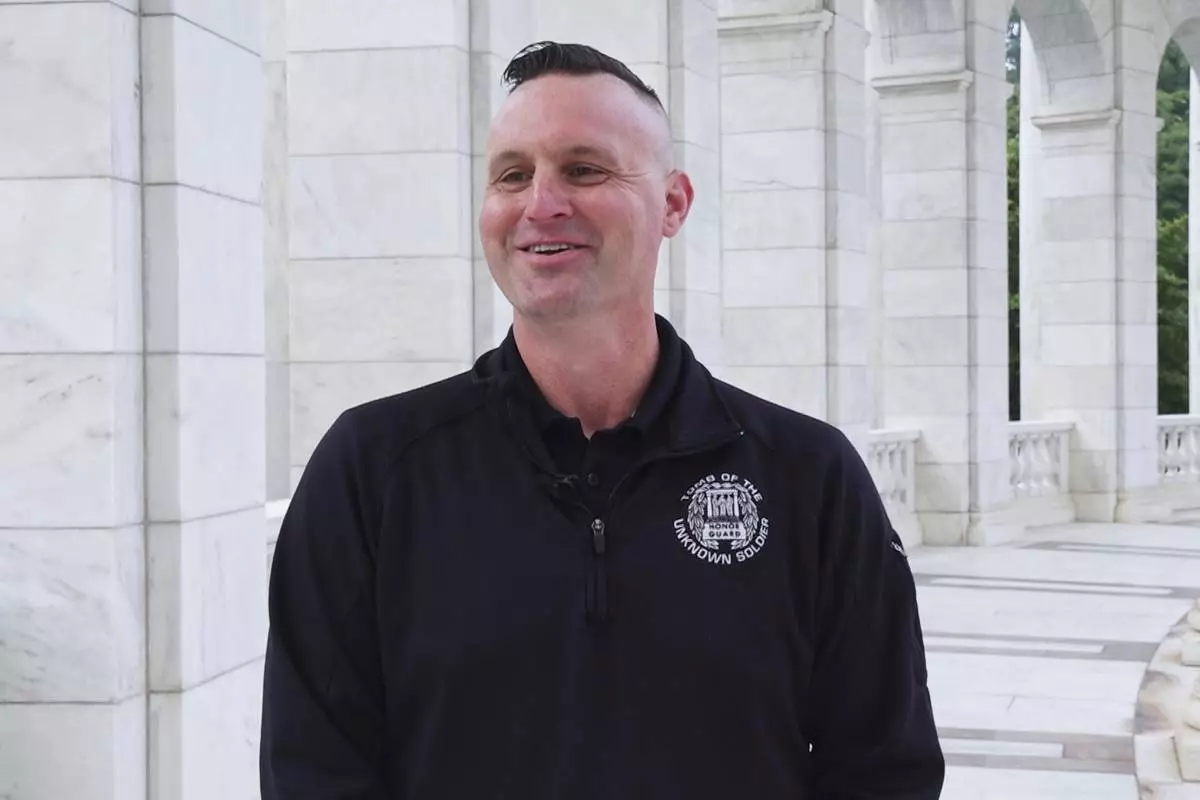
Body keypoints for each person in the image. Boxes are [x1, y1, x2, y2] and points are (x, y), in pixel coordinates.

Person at [260, 40, 944, 799]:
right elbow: (314, 770)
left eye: (584, 169)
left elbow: (884, 769)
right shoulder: (373, 469)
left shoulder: (808, 476)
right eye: (512, 174)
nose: (540, 203)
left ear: (674, 203)